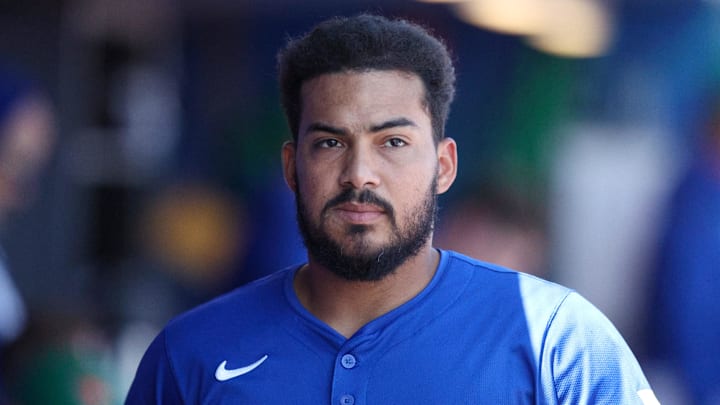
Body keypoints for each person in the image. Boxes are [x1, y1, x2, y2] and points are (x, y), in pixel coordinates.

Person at [126, 14, 658, 404]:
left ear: (444, 166)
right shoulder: (191, 353)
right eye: (331, 143)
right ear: (291, 167)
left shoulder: (555, 342)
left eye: (393, 143)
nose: (360, 174)